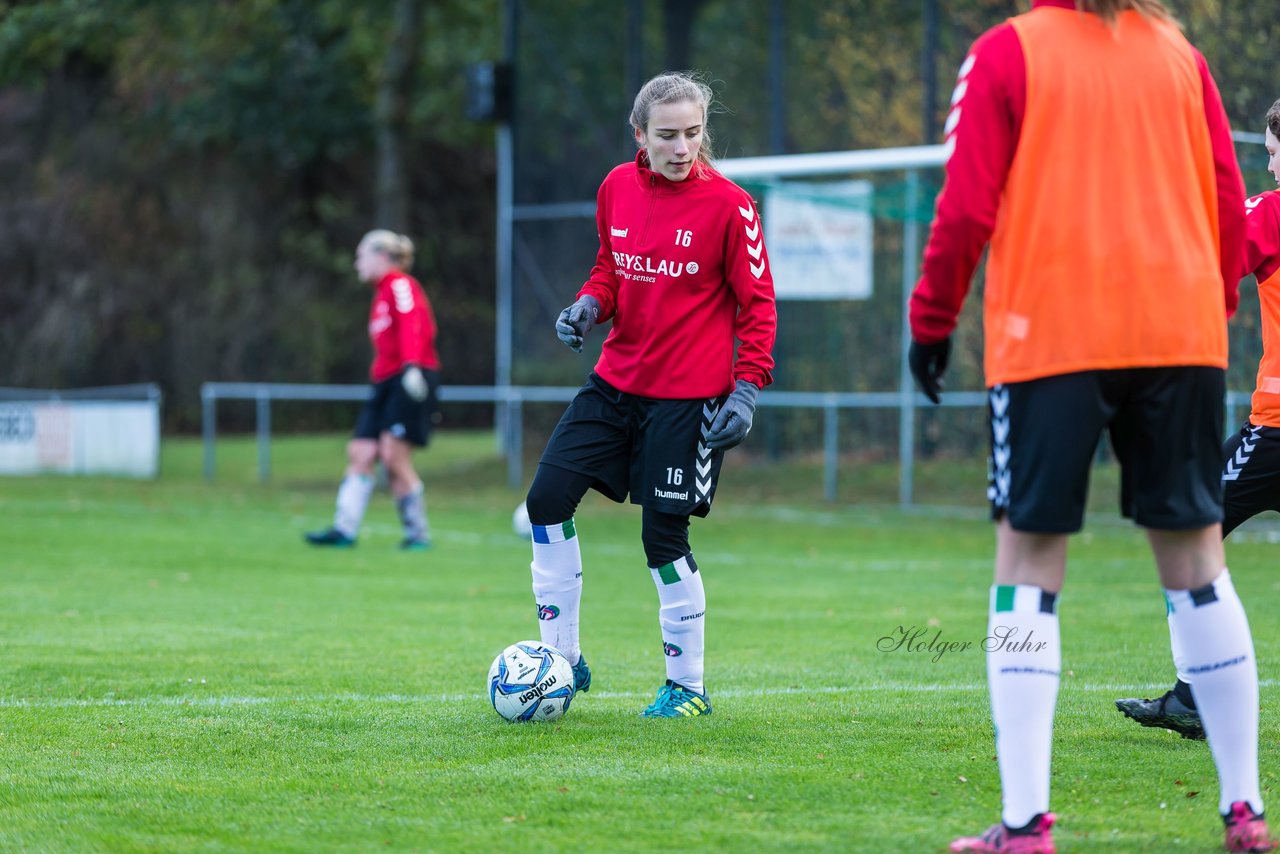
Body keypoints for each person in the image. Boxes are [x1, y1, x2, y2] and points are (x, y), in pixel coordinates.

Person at [907, 2, 1272, 851]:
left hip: (1053, 336)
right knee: (1196, 563)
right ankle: (1243, 808)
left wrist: (931, 323)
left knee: (1030, 563)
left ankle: (1027, 823)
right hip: (1178, 336)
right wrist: (1206, 315)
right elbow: (1225, 197)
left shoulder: (1008, 52)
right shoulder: (1181, 53)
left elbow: (965, 207)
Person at [524, 71, 776, 719]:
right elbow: (611, 268)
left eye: (693, 133)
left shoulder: (731, 207)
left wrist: (746, 392)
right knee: (546, 501)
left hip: (688, 403)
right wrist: (588, 304)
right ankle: (562, 660)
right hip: (614, 385)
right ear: (640, 134)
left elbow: (758, 308)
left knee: (662, 541)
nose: (682, 146)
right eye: (667, 135)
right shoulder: (615, 186)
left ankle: (686, 688)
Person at [1116, 99, 1280, 745]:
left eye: (1272, 153)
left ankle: (1195, 694)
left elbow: (1206, 251)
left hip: (1276, 432)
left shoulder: (1272, 211)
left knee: (1183, 526)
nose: (1270, 166)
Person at [305, 229, 441, 551]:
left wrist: (411, 367)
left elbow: (413, 324)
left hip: (409, 377)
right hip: (384, 381)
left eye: (361, 255)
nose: (356, 264)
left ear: (382, 256)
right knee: (361, 453)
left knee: (393, 456)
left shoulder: (399, 284)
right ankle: (344, 530)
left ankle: (417, 534)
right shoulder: (380, 294)